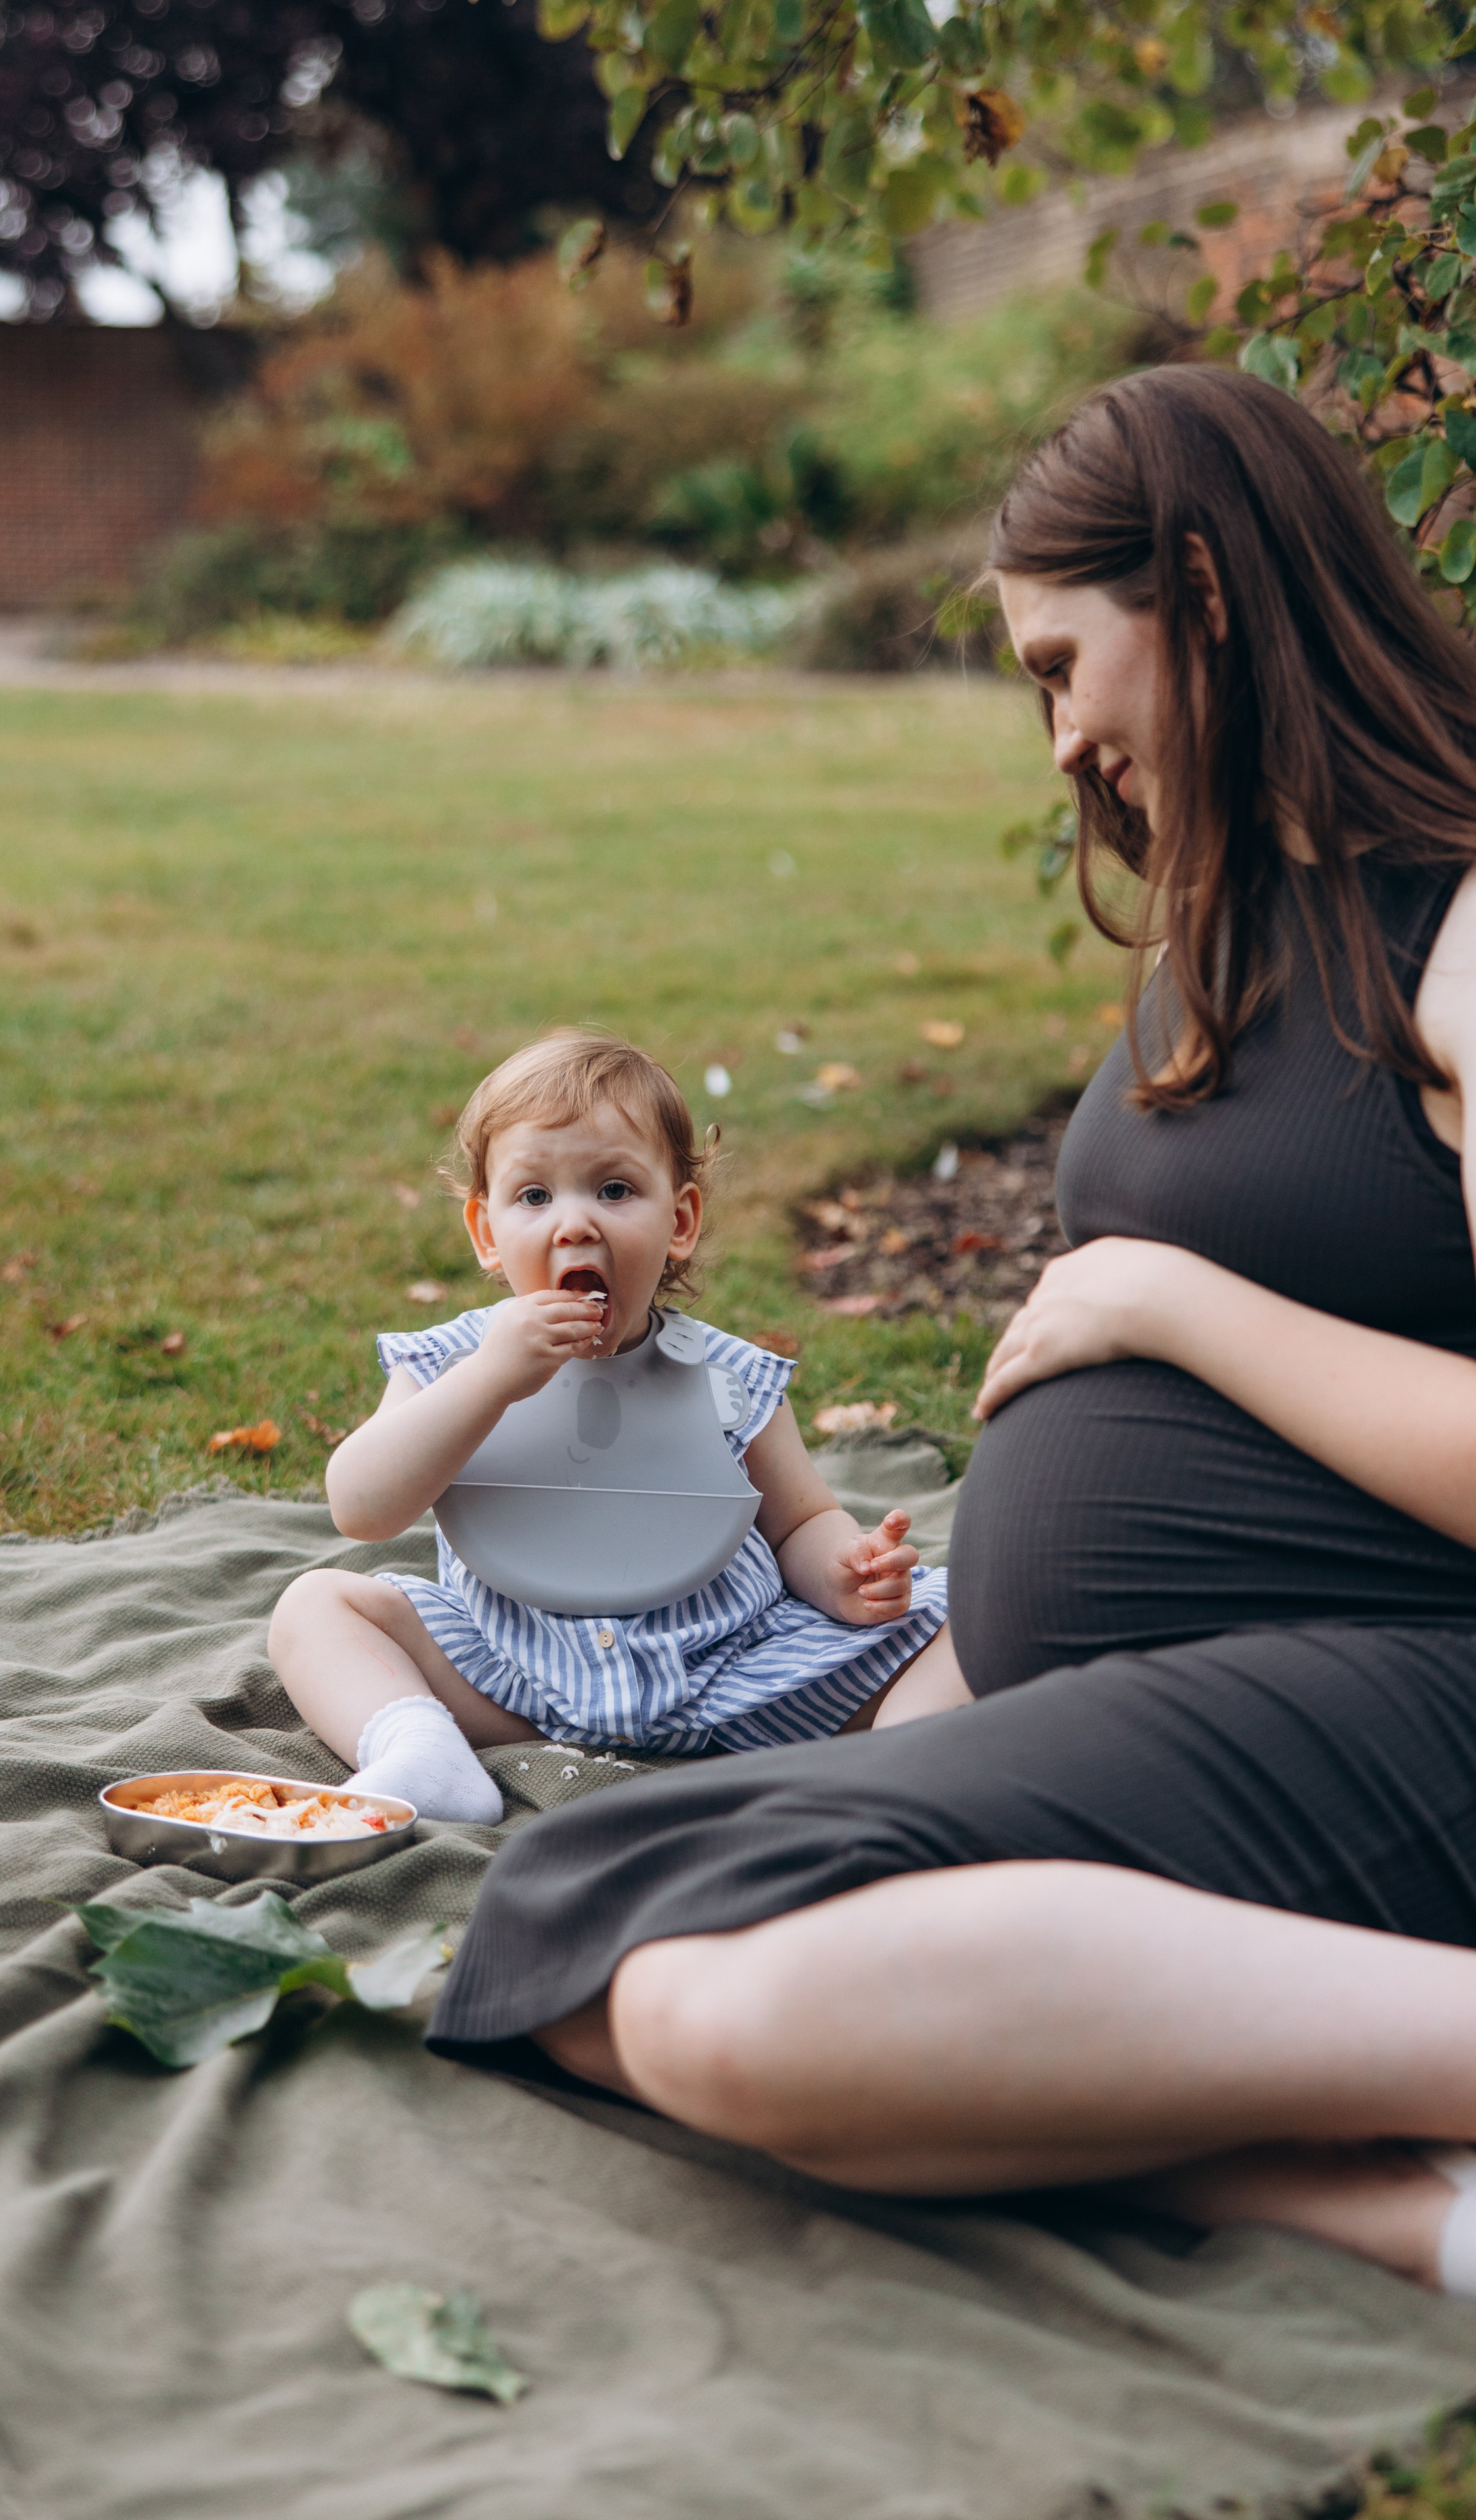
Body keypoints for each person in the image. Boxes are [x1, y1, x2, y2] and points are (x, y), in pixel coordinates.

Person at [423, 364, 1476, 2299]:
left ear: (1207, 596)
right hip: (1176, 1688)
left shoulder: (1464, 933)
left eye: (1064, 663)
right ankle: (1416, 2206)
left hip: (1421, 1693)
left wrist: (1173, 1304)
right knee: (574, 1945)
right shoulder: (1236, 918)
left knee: (728, 2002)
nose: (1061, 736)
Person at [269, 1032, 960, 1824]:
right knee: (314, 1607)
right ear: (486, 1232)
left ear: (681, 1220)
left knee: (976, 1610)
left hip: (732, 1680)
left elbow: (800, 1519)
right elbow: (361, 1505)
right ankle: (422, 1749)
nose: (573, 1225)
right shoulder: (450, 1362)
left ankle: (897, 1774)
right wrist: (489, 1380)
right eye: (534, 1197)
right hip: (514, 1679)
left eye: (614, 1190)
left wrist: (845, 1570)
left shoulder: (727, 1378)